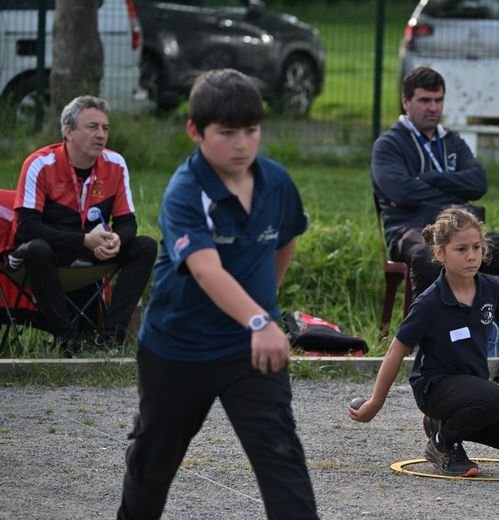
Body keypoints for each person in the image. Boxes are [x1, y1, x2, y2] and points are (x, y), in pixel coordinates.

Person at [117, 69, 318, 519]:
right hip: (177, 348)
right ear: (196, 131)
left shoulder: (276, 182)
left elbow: (286, 237)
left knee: (281, 458)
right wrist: (262, 320)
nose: (242, 144)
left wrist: (264, 301)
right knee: (154, 461)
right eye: (227, 133)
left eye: (251, 131)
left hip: (248, 350)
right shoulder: (186, 191)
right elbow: (206, 270)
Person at [348, 207, 499, 477]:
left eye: (477, 247)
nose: (472, 255)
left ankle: (440, 425)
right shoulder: (428, 303)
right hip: (434, 388)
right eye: (461, 249)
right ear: (440, 254)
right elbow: (396, 351)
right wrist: (375, 403)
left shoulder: (492, 288)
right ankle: (442, 444)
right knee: (494, 397)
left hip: (474, 390)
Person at [371, 66, 499, 313]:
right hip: (411, 228)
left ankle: (486, 329)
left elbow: (478, 183)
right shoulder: (388, 145)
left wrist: (430, 178)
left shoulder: (452, 141)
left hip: (461, 230)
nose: (433, 107)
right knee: (429, 256)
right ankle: (425, 337)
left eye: (438, 100)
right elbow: (401, 192)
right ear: (406, 102)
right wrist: (452, 194)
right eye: (424, 100)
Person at [10, 95, 157, 353]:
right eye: (93, 127)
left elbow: (127, 222)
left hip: (91, 251)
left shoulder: (116, 164)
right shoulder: (39, 164)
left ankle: (110, 338)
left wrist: (117, 240)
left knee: (145, 246)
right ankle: (68, 341)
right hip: (44, 255)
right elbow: (27, 228)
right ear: (68, 131)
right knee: (37, 248)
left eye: (105, 128)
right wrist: (83, 240)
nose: (101, 134)